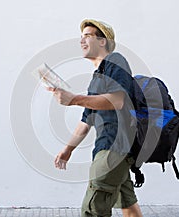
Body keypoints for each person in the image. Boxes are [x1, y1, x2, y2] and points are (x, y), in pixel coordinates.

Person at [47, 19, 143, 217]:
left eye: (87, 36)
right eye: (81, 37)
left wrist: (74, 99)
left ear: (103, 41)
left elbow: (117, 100)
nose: (82, 40)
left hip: (115, 148)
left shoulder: (115, 61)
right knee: (129, 208)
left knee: (92, 210)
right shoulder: (96, 79)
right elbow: (86, 121)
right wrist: (67, 150)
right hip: (111, 149)